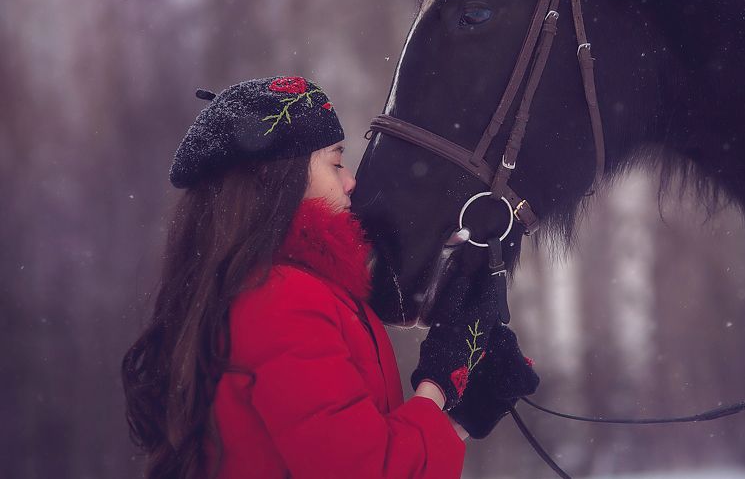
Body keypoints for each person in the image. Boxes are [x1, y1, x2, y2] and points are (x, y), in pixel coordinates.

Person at [121, 76, 539, 479]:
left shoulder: (293, 293)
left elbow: (355, 454)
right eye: (336, 161)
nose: (350, 179)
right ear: (278, 184)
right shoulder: (280, 302)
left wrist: (460, 418)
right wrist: (440, 382)